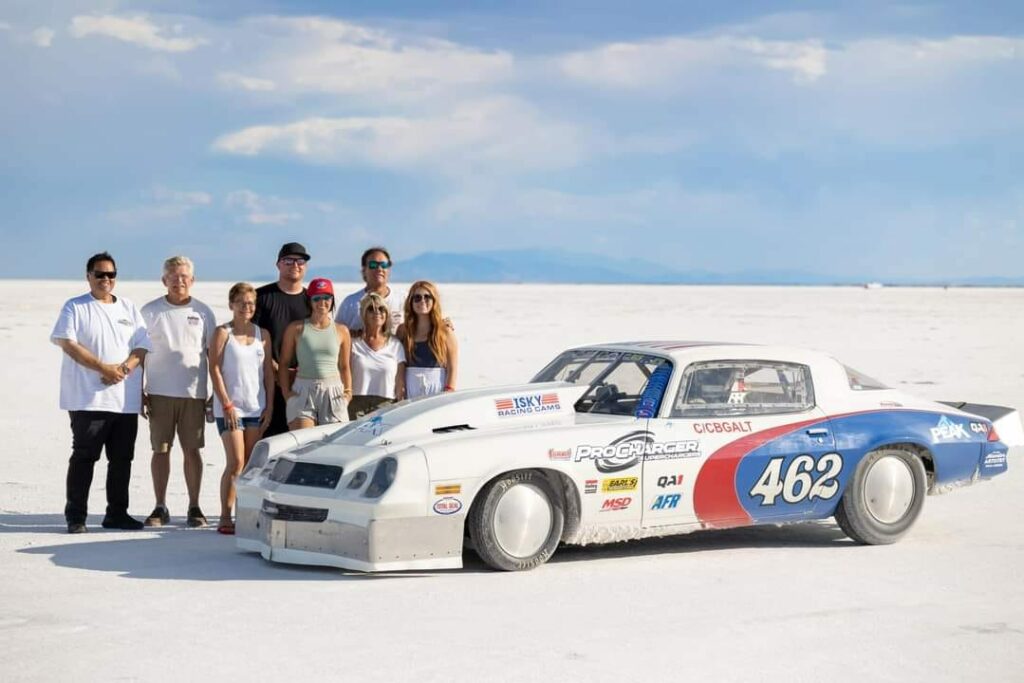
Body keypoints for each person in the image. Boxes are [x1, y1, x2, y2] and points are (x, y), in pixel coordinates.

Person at [50, 252, 151, 533]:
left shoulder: (128, 308)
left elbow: (142, 345)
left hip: (124, 400)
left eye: (111, 275)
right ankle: (76, 516)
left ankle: (116, 513)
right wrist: (103, 368)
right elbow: (68, 343)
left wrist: (124, 369)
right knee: (84, 456)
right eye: (100, 274)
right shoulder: (76, 306)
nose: (106, 280)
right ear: (88, 276)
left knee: (121, 459)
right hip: (88, 397)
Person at [139, 256, 217, 528]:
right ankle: (160, 506)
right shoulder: (150, 311)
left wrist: (215, 393)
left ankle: (194, 506)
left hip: (193, 393)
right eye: (173, 276)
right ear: (164, 280)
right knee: (160, 450)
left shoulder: (204, 312)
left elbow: (213, 355)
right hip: (159, 392)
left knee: (192, 450)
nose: (179, 281)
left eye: (184, 276)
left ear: (192, 280)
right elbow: (138, 354)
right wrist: (138, 390)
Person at [208, 282, 274, 534]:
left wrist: (268, 404)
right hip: (230, 408)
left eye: (250, 303)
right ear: (231, 305)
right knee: (235, 462)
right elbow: (214, 368)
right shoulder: (222, 333)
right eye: (241, 303)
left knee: (250, 465)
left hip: (255, 407)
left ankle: (245, 515)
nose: (246, 307)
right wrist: (226, 403)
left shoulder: (262, 335)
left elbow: (268, 373)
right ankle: (225, 515)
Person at [278, 278, 352, 429]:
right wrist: (286, 393)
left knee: (332, 447)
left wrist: (348, 393)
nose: (322, 303)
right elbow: (284, 363)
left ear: (332, 299)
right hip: (303, 391)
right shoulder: (296, 328)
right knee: (303, 446)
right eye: (316, 298)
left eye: (326, 298)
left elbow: (344, 366)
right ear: (309, 301)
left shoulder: (342, 330)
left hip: (333, 392)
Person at [253, 242, 311, 437]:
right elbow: (250, 338)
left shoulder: (313, 301)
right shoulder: (261, 297)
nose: (295, 265)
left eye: (300, 261)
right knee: (264, 445)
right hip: (266, 385)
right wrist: (276, 369)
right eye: (288, 260)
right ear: (278, 264)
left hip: (302, 385)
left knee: (300, 445)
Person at [348, 292, 406, 419]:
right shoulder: (353, 343)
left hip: (386, 406)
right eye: (371, 309)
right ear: (363, 314)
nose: (377, 312)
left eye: (381, 309)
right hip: (356, 405)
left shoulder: (395, 345)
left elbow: (400, 383)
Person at [398, 281, 459, 398]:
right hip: (409, 395)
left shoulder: (445, 332)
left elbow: (452, 368)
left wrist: (448, 392)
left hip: (436, 393)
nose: (422, 301)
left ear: (434, 301)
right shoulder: (403, 331)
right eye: (417, 297)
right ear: (410, 302)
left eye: (427, 297)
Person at [336, 246, 405, 336]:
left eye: (384, 265)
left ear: (389, 270)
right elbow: (337, 334)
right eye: (373, 265)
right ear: (364, 270)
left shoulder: (402, 300)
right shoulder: (350, 303)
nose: (379, 269)